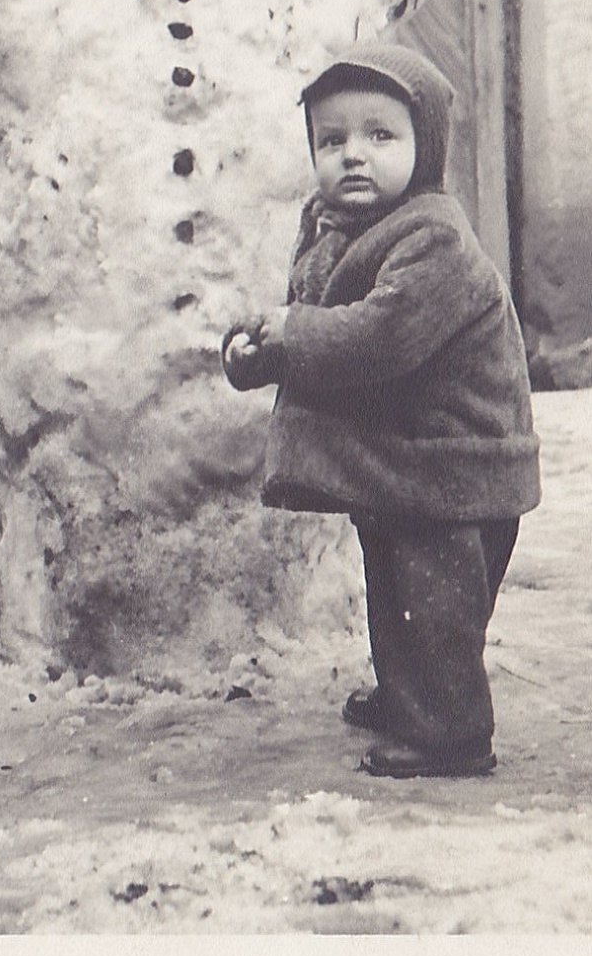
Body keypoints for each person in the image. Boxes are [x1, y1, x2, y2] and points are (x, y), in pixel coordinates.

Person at [221, 41, 541, 778]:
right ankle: (410, 696)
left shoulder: (434, 236)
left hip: (460, 465)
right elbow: (314, 318)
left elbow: (378, 336)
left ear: (424, 146)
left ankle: (451, 734)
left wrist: (290, 333)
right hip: (402, 462)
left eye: (380, 136)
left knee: (437, 608)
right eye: (331, 141)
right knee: (396, 592)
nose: (352, 156)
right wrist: (265, 351)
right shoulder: (335, 226)